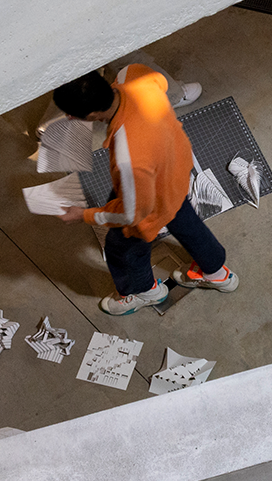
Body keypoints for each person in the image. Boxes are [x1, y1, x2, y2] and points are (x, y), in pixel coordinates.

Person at [52, 66, 238, 315]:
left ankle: (144, 291)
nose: (71, 118)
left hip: (149, 197)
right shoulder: (134, 74)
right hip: (175, 173)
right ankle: (216, 273)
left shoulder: (128, 158)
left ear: (94, 114)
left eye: (72, 114)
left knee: (122, 247)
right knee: (184, 219)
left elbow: (131, 215)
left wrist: (83, 215)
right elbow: (161, 83)